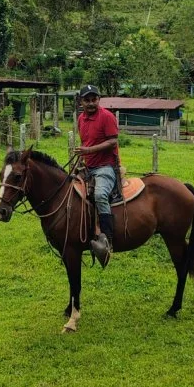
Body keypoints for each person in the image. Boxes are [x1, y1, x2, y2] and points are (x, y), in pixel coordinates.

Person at [76, 84, 120, 267]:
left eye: (94, 99)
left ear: (99, 100)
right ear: (81, 102)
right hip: (88, 166)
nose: (91, 103)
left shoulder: (107, 117)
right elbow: (85, 141)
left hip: (105, 167)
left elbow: (113, 142)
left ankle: (107, 241)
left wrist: (89, 149)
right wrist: (82, 159)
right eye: (87, 100)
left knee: (100, 195)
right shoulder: (81, 119)